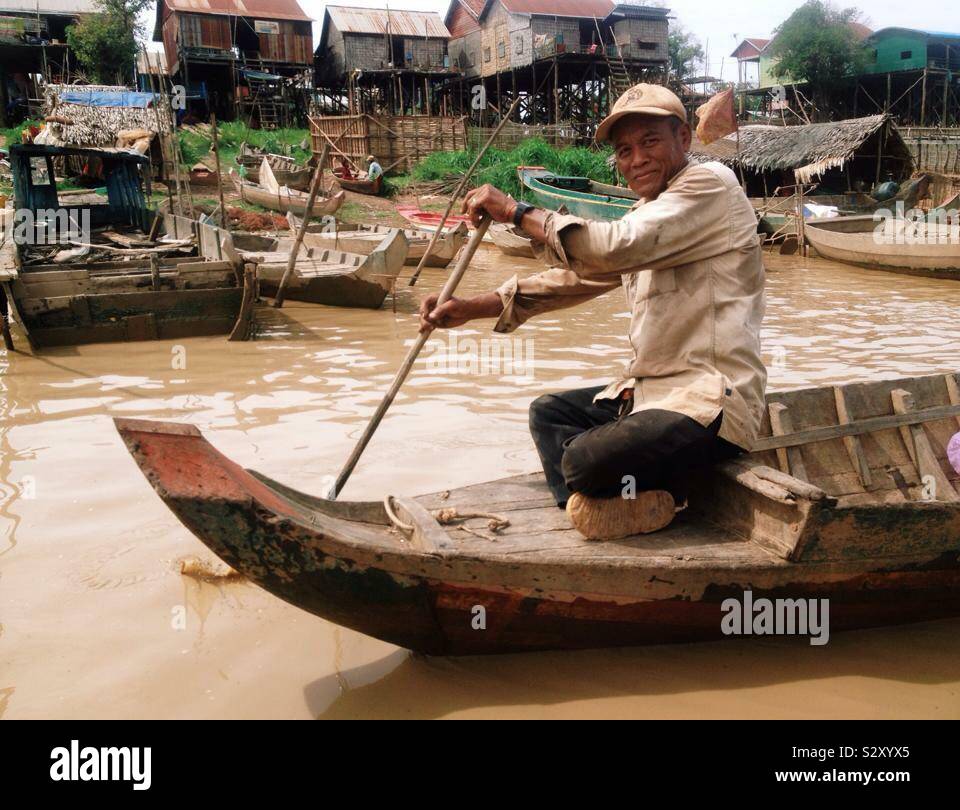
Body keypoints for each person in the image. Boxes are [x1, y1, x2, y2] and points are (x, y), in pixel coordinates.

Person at [418, 83, 767, 541]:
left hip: (709, 403)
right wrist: (469, 308)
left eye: (650, 142)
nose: (636, 159)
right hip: (652, 396)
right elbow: (578, 277)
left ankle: (618, 495)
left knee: (581, 460)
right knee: (549, 413)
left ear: (683, 138)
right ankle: (603, 510)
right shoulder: (649, 211)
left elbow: (611, 248)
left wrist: (514, 209)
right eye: (624, 150)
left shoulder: (709, 185)